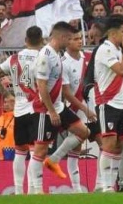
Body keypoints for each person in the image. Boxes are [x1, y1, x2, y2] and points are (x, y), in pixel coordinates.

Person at [0, 26, 44, 194]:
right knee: (37, 151)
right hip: (37, 109)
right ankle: (35, 190)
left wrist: (7, 95)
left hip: (19, 110)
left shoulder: (13, 58)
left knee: (20, 152)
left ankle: (19, 192)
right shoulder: (44, 58)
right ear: (41, 41)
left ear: (26, 40)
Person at [29, 21, 81, 194]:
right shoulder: (45, 55)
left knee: (83, 132)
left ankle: (54, 159)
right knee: (40, 148)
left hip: (58, 106)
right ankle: (36, 190)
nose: (70, 41)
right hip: (46, 109)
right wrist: (51, 111)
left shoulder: (56, 54)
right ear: (61, 37)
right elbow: (42, 86)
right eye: (69, 38)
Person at [93, 15, 123, 192]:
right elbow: (122, 70)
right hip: (107, 102)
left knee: (119, 145)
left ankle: (112, 185)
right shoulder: (106, 49)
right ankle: (105, 185)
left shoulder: (117, 50)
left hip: (121, 103)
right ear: (113, 33)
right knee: (108, 144)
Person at [0, 94, 16, 161]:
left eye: (11, 102)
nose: (7, 104)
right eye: (5, 102)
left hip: (15, 157)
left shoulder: (19, 119)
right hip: (0, 158)